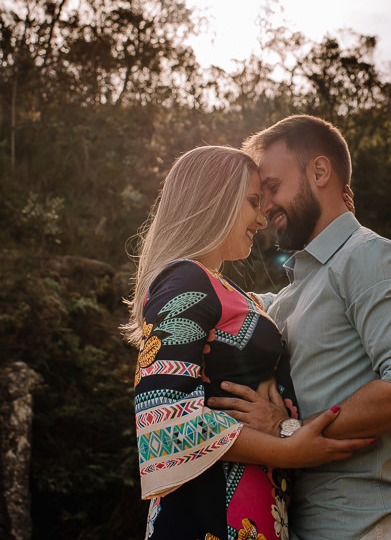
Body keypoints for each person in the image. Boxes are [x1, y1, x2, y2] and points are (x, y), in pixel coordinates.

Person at [208, 115, 391, 540]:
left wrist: (287, 432)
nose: (266, 207)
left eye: (273, 188)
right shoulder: (295, 291)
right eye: (259, 198)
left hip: (374, 524)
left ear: (319, 171)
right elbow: (228, 307)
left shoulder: (370, 256)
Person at [123, 145, 373, 540]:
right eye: (254, 202)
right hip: (210, 514)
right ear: (215, 199)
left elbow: (300, 305)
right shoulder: (185, 280)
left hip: (250, 509)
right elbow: (163, 423)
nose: (261, 218)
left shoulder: (228, 292)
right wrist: (291, 450)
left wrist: (334, 223)